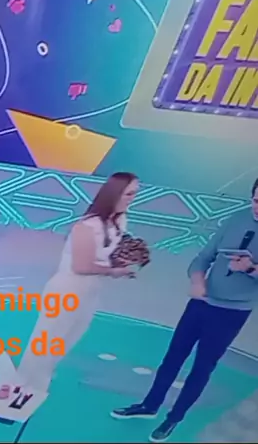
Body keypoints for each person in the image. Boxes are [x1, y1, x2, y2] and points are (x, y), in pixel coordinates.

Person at [111, 177, 258, 443]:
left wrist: (249, 269)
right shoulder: (237, 219)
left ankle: (173, 418)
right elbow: (204, 257)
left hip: (232, 312)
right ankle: (149, 405)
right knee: (173, 356)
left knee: (202, 366)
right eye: (256, 201)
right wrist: (197, 280)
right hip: (202, 301)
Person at [15, 172, 140, 393]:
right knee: (47, 337)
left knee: (72, 335)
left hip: (91, 289)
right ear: (115, 193)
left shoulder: (119, 221)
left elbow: (104, 255)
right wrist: (114, 271)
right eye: (129, 194)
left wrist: (123, 261)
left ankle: (43, 372)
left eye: (135, 194)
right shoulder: (87, 226)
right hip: (67, 289)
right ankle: (23, 380)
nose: (133, 198)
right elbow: (81, 266)